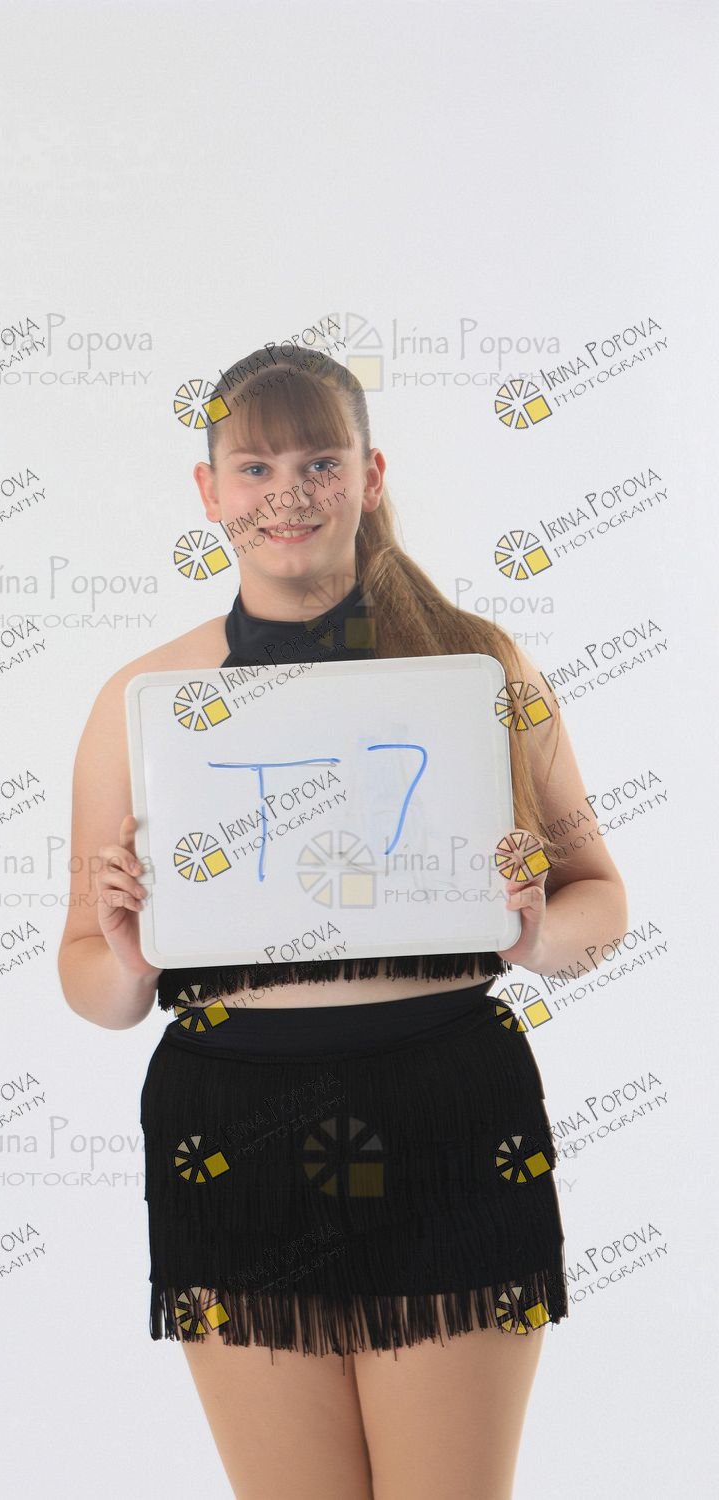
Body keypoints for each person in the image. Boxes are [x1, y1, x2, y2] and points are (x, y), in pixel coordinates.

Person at [58, 343, 627, 1500]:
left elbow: (599, 902)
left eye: (320, 461)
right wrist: (125, 957)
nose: (288, 493)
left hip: (449, 1114)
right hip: (232, 1131)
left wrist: (530, 935)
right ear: (208, 491)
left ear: (369, 476)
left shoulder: (476, 664)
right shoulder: (144, 702)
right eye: (255, 466)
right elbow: (90, 980)